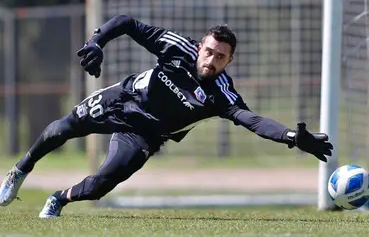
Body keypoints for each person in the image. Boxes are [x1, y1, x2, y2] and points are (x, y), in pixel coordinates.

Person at [0, 15, 333, 218]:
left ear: (228, 62)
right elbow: (128, 23)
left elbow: (251, 120)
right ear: (200, 45)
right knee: (61, 129)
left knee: (101, 186)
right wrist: (97, 42)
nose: (211, 59)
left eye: (220, 57)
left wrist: (291, 136)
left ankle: (58, 198)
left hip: (144, 135)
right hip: (123, 99)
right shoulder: (177, 47)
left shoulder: (221, 93)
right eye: (209, 51)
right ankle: (20, 170)